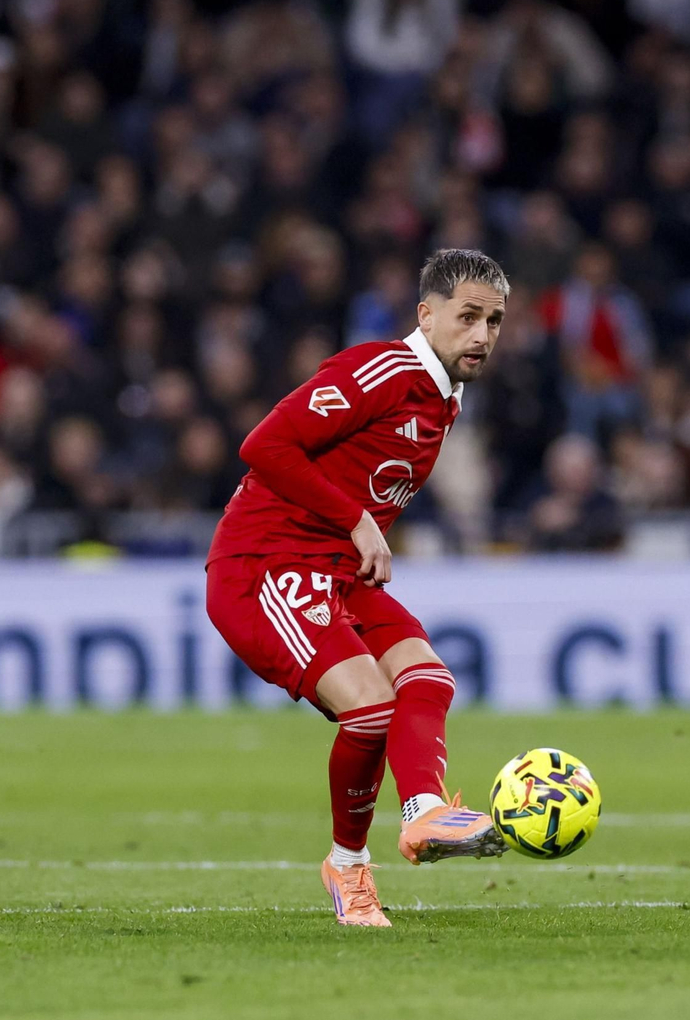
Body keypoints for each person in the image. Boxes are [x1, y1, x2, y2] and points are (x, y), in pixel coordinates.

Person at [205, 248, 509, 927]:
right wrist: (356, 519)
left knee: (428, 679)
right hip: (263, 563)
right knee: (370, 707)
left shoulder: (444, 399)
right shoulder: (381, 371)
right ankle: (348, 868)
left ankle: (425, 813)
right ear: (426, 315)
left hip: (335, 570)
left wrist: (353, 532)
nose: (483, 335)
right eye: (468, 317)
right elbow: (264, 445)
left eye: (494, 320)